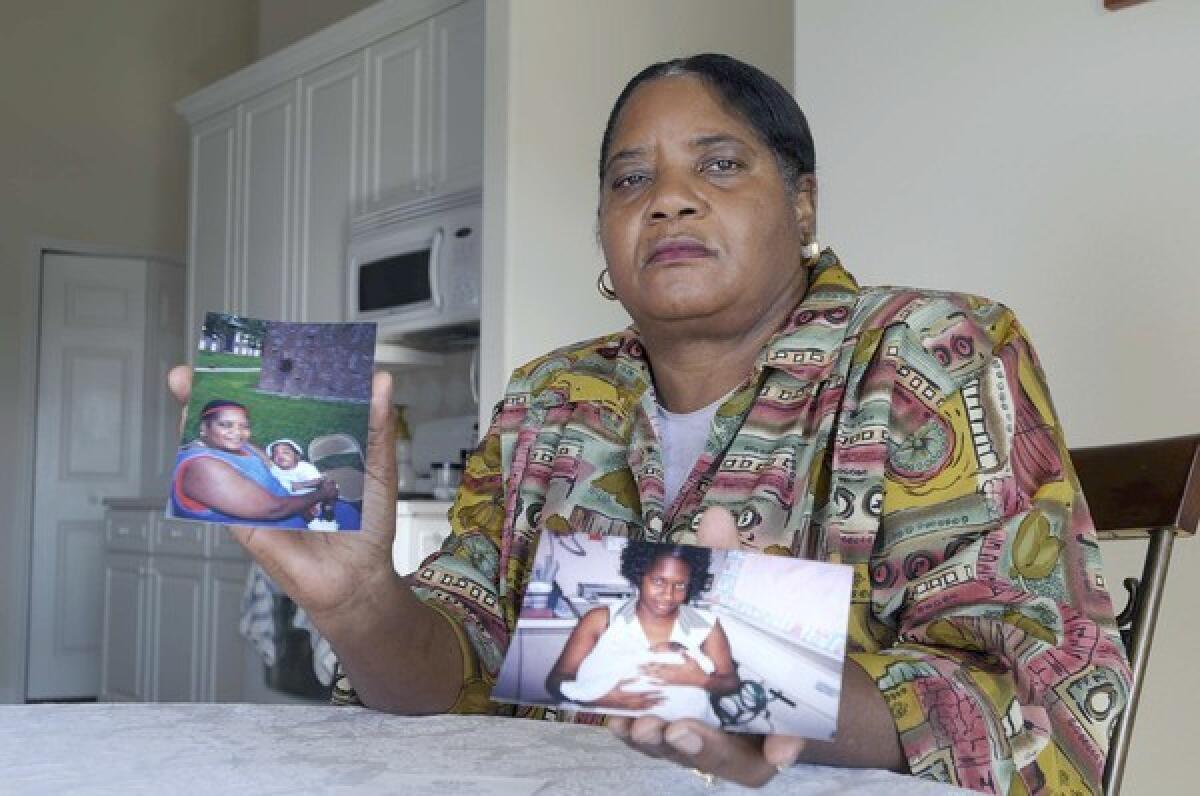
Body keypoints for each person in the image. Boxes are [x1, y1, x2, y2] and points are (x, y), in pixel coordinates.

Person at [169, 53, 1131, 793]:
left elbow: (1043, 696)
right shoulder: (550, 395)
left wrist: (747, 683)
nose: (668, 196)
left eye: (719, 163)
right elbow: (457, 674)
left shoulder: (931, 348)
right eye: (630, 180)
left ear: (801, 205)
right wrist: (362, 606)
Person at [546, 542, 737, 723]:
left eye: (680, 585)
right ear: (639, 575)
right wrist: (600, 699)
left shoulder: (706, 626)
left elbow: (731, 683)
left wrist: (702, 680)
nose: (669, 595)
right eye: (658, 581)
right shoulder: (600, 620)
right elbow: (555, 682)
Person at [171, 400, 354, 529]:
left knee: (353, 515)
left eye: (244, 426)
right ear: (204, 427)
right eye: (226, 425)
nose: (238, 433)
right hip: (281, 530)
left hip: (297, 507)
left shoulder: (234, 445)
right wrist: (321, 494)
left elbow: (265, 461)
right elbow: (274, 510)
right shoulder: (203, 467)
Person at [267, 438, 336, 530]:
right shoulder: (275, 470)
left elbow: (318, 481)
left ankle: (327, 509)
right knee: (297, 506)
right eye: (275, 454)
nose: (280, 455)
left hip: (316, 494)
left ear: (297, 457)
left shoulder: (305, 467)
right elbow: (286, 487)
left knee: (331, 486)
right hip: (297, 499)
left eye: (286, 452)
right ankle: (314, 524)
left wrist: (304, 485)